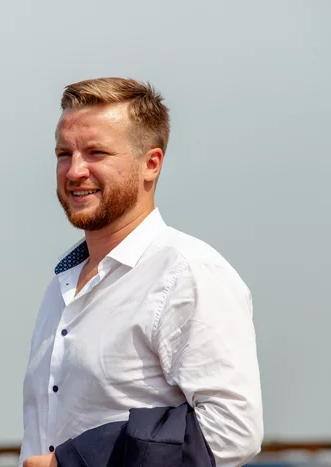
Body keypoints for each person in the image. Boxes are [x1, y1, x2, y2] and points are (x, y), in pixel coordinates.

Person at [19, 77, 263, 467]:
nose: (74, 170)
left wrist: (80, 460)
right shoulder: (60, 286)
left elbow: (232, 431)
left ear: (151, 164)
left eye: (96, 152)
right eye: (64, 153)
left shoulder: (188, 272)